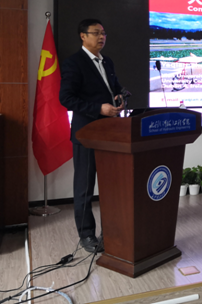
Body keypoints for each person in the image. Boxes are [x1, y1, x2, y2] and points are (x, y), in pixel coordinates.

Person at [59, 19, 125, 253]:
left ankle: (112, 230)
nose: (101, 37)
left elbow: (114, 88)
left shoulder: (107, 61)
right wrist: (99, 108)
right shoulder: (74, 63)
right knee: (85, 187)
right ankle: (86, 234)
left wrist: (119, 97)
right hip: (86, 134)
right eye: (96, 33)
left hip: (110, 133)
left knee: (112, 186)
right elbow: (66, 99)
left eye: (103, 33)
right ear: (83, 36)